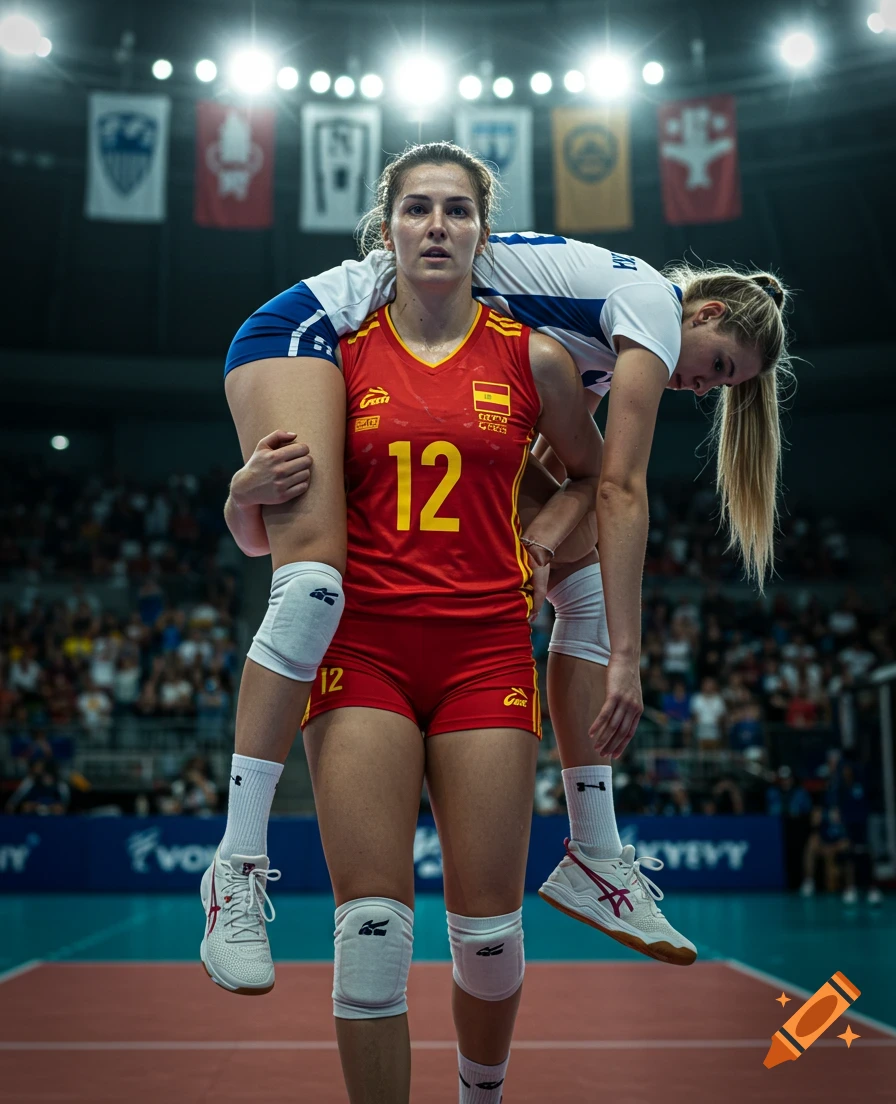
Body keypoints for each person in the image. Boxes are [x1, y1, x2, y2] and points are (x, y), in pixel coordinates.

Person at [216, 140, 789, 977]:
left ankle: (595, 850)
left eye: (722, 386)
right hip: (311, 332)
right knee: (309, 586)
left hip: (430, 389)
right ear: (703, 319)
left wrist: (547, 543)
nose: (703, 388)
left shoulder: (574, 349)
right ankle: (233, 867)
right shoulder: (654, 313)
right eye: (720, 369)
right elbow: (623, 489)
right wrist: (632, 658)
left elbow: (568, 489)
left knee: (582, 592)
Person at [206, 152, 607, 1102]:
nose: (437, 225)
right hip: (366, 656)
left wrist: (547, 533)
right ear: (386, 230)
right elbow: (280, 535)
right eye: (417, 209)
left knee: (490, 937)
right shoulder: (335, 358)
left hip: (487, 651)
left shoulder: (534, 356)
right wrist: (237, 499)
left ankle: (481, 1093)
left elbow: (593, 479)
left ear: (481, 233)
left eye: (457, 211)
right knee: (372, 934)